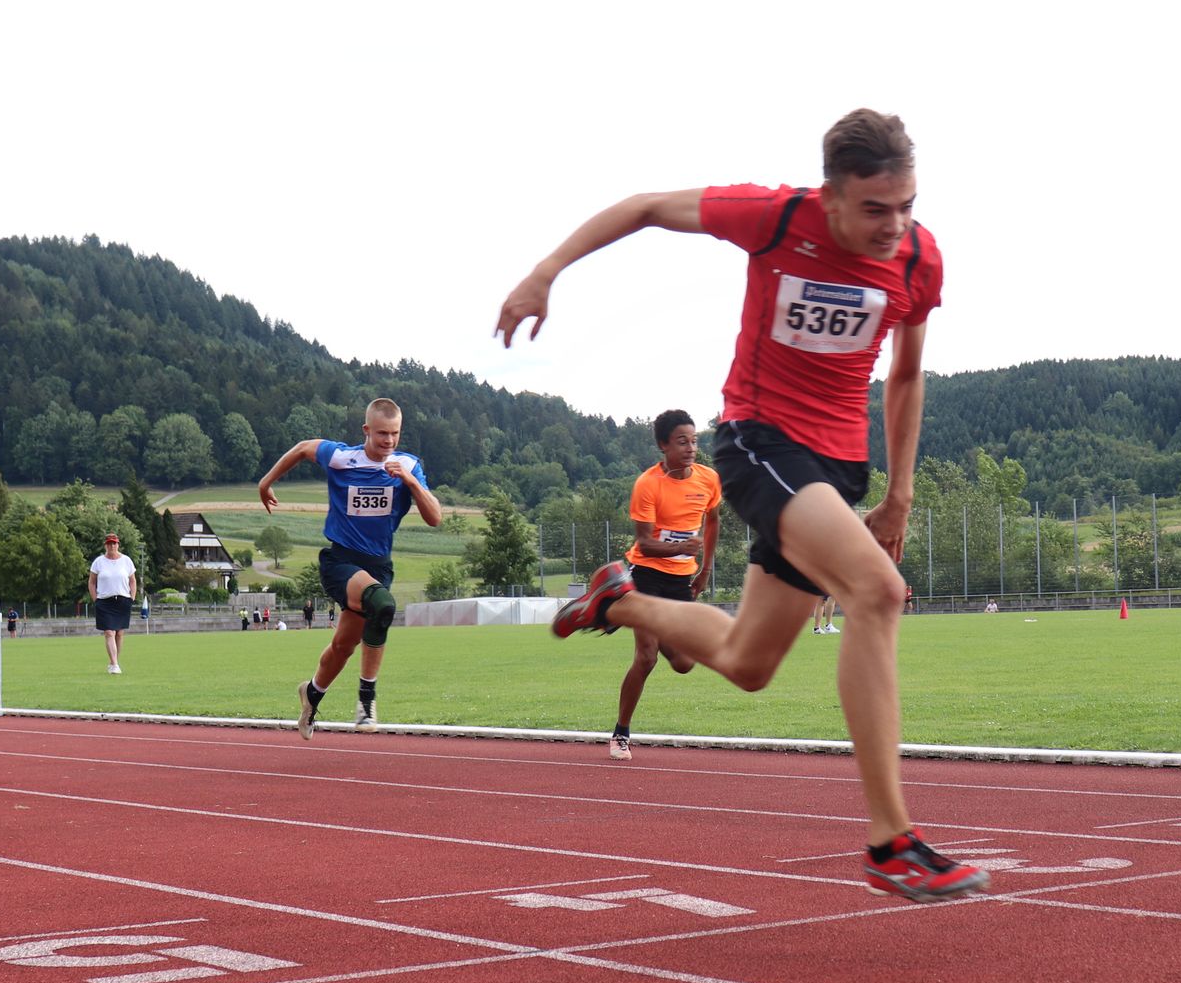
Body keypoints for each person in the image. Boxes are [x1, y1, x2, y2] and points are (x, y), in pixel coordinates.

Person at [495, 108, 987, 903]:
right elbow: (647, 206)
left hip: (837, 465)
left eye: (907, 206)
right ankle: (890, 840)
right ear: (830, 197)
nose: (894, 226)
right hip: (761, 442)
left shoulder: (919, 259)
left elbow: (904, 376)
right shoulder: (775, 217)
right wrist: (547, 268)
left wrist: (899, 493)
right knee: (878, 591)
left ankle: (615, 602)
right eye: (873, 210)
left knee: (748, 663)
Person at [258, 396, 441, 736]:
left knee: (344, 646)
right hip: (340, 561)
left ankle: (311, 693)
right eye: (382, 433)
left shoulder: (408, 465)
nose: (388, 441)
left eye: (395, 434)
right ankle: (366, 700)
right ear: (366, 430)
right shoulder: (342, 457)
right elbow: (301, 448)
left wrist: (411, 483)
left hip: (378, 567)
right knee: (382, 605)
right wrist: (265, 482)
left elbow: (435, 517)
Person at [607, 410, 723, 762]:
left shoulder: (708, 479)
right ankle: (621, 734)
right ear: (663, 445)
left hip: (681, 580)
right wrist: (680, 547)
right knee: (646, 657)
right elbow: (643, 544)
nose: (690, 448)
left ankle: (610, 607)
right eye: (682, 441)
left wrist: (705, 568)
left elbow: (713, 521)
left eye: (695, 440)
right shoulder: (648, 484)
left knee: (684, 663)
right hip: (646, 575)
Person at [87, 532, 139, 674]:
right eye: (109, 543)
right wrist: (95, 599)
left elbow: (133, 581)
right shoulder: (98, 562)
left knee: (119, 633)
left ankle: (113, 661)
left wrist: (131, 597)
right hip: (104, 601)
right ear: (105, 545)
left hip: (122, 600)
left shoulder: (127, 561)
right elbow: (91, 582)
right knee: (109, 632)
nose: (112, 546)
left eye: (114, 543)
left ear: (118, 545)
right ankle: (115, 664)